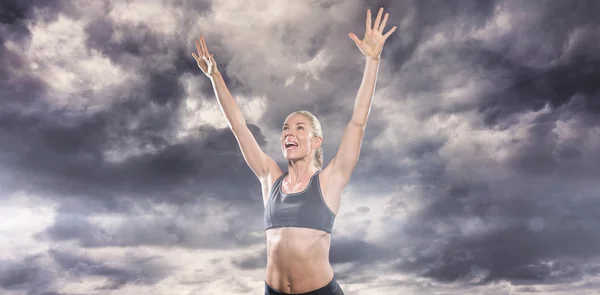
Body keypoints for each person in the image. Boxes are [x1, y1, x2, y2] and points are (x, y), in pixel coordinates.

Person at [192, 7, 396, 295]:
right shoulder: (269, 179)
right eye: (286, 128)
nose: (289, 132)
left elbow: (358, 122)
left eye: (300, 128)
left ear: (316, 141)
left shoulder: (329, 180)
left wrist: (372, 61)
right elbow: (239, 127)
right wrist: (215, 78)